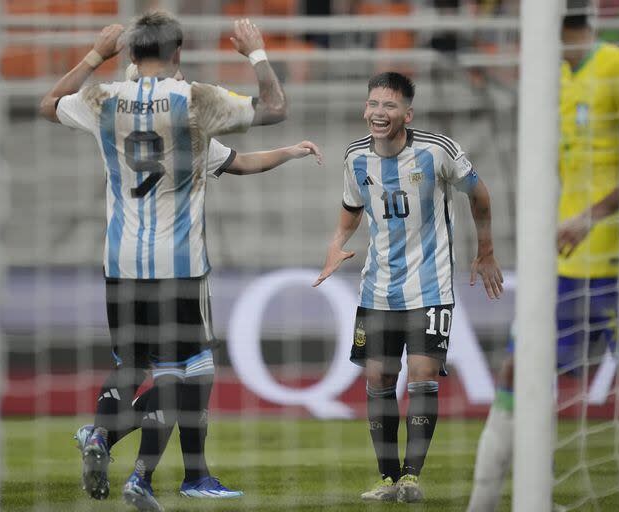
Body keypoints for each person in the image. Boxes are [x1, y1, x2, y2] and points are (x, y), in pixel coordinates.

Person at [39, 11, 292, 511]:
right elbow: (275, 106)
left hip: (120, 264)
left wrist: (94, 55)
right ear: (178, 53)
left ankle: (100, 436)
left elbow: (47, 104)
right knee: (189, 372)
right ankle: (140, 479)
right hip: (179, 266)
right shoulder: (195, 99)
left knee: (130, 364)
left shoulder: (102, 98)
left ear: (130, 54)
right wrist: (256, 52)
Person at [467, 5, 619, 512]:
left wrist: (589, 216)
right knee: (516, 373)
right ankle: (483, 504)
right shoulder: (551, 76)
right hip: (560, 266)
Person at [313, 71, 503, 504]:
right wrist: (336, 244)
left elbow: (481, 195)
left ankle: (412, 477)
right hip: (377, 289)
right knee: (378, 377)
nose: (379, 113)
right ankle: (386, 478)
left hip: (430, 287)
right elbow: (350, 208)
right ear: (365, 108)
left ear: (407, 113)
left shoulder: (438, 151)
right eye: (373, 104)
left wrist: (486, 251)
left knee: (420, 376)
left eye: (389, 106)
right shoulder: (355, 158)